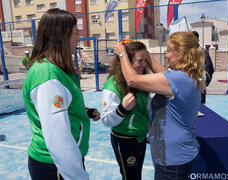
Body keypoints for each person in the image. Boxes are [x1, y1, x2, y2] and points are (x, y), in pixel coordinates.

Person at [114, 32, 205, 180]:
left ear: (181, 53)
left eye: (169, 51)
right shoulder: (186, 75)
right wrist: (147, 54)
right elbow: (164, 74)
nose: (166, 55)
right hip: (179, 154)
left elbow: (132, 80)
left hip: (173, 159)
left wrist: (122, 54)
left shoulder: (178, 79)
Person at [22, 8, 100, 180]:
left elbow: (62, 106)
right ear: (61, 36)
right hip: (57, 166)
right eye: (75, 33)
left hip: (63, 163)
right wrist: (78, 176)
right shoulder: (48, 74)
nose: (79, 38)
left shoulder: (58, 69)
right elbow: (58, 138)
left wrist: (84, 111)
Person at [101, 40, 149, 180]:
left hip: (140, 137)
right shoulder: (113, 84)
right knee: (130, 177)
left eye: (145, 60)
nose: (144, 65)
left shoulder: (141, 79)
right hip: (124, 140)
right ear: (126, 61)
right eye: (140, 61)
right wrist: (122, 109)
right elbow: (106, 120)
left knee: (136, 176)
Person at [191, 31, 214, 104]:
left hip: (200, 87)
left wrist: (204, 83)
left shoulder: (204, 52)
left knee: (201, 109)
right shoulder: (186, 53)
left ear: (198, 40)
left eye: (194, 39)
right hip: (188, 87)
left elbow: (210, 69)